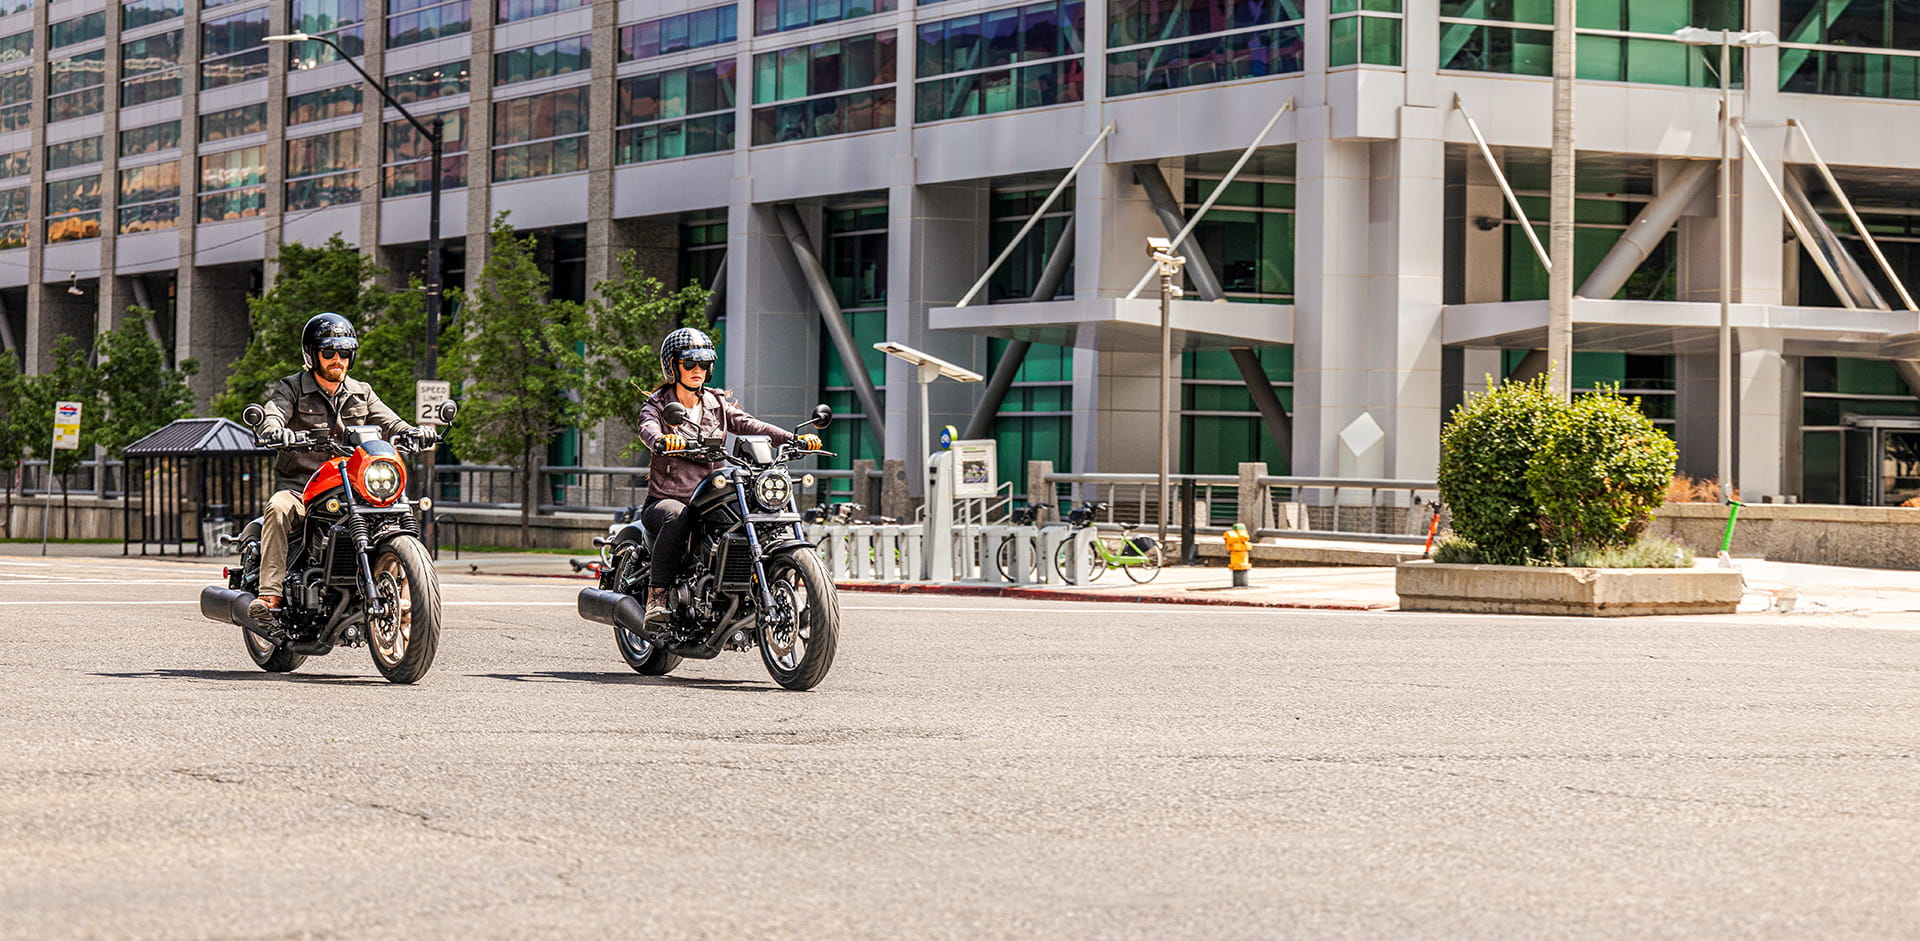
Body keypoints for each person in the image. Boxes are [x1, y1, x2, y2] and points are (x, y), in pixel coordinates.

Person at [248, 313, 432, 623]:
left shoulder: (361, 391)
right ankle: (270, 596)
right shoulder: (292, 387)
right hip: (302, 488)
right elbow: (274, 413)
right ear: (313, 354)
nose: (338, 359)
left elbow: (391, 422)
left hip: (351, 486)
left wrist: (414, 431)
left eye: (345, 352)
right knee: (278, 508)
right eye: (329, 351)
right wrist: (275, 430)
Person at [637, 327, 820, 624]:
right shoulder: (658, 404)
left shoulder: (717, 403)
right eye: (689, 363)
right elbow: (647, 427)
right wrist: (660, 439)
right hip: (669, 499)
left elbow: (750, 425)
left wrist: (792, 439)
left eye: (704, 363)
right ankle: (656, 596)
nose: (697, 370)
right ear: (672, 366)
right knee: (677, 516)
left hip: (710, 494)